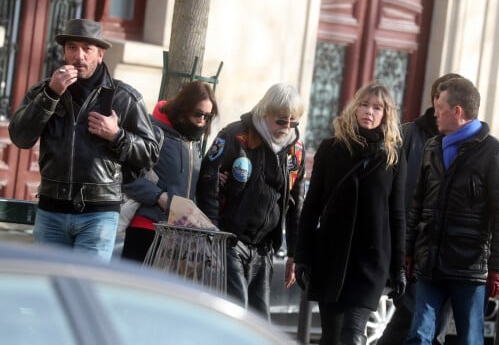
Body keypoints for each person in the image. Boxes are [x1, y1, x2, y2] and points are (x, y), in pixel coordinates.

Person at [9, 18, 160, 261]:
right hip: (51, 209)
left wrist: (117, 135)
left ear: (100, 55)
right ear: (64, 53)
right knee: (49, 288)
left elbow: (151, 153)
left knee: (84, 287)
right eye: (72, 48)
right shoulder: (43, 91)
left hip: (98, 213)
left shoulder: (125, 97)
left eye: (87, 49)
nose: (79, 56)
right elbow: (20, 137)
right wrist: (51, 95)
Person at [404, 77, 499, 345]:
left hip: (469, 267)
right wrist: (408, 250)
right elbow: (418, 203)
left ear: (457, 111)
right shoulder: (433, 147)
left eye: (439, 108)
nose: (434, 114)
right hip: (429, 262)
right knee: (419, 335)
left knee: (469, 339)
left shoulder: (495, 153)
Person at [293, 83, 408, 345]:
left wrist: (398, 267)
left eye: (377, 108)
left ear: (386, 115)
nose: (369, 111)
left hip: (371, 259)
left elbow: (397, 214)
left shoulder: (393, 156)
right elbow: (311, 206)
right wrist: (302, 256)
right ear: (354, 108)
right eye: (364, 105)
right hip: (331, 257)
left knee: (353, 337)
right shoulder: (331, 149)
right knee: (332, 338)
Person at [196, 83, 306, 319]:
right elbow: (207, 181)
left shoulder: (295, 152)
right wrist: (215, 235)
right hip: (230, 241)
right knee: (237, 314)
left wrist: (293, 253)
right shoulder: (235, 135)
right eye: (280, 121)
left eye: (293, 122)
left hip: (264, 248)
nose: (286, 128)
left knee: (259, 320)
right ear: (265, 112)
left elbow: (296, 205)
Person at [378, 73, 463, 345]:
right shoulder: (408, 135)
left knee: (434, 326)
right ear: (434, 99)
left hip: (451, 252)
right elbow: (388, 193)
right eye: (441, 98)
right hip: (412, 247)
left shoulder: (471, 144)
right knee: (413, 315)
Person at [120, 80, 218, 262]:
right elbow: (126, 176)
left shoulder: (194, 143)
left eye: (208, 116)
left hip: (178, 235)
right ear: (184, 108)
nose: (202, 121)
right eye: (198, 113)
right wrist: (159, 197)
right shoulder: (154, 133)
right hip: (147, 226)